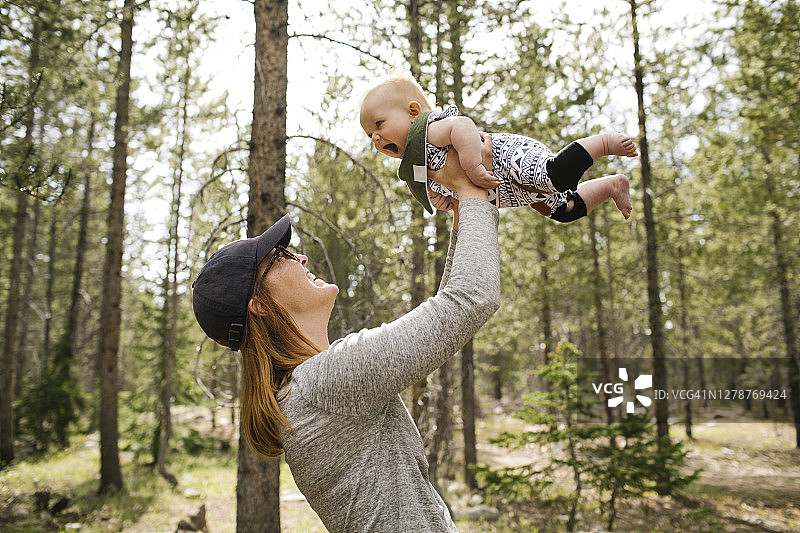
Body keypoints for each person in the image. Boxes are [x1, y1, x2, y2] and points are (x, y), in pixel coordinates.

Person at [191, 139, 499, 533]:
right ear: (259, 306)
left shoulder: (304, 390)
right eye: (281, 256)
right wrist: (475, 191)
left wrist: (461, 213)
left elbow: (450, 306)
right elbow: (471, 299)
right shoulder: (327, 381)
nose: (300, 256)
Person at [359, 71, 638, 222]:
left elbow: (462, 126)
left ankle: (603, 142)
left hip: (507, 158)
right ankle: (613, 185)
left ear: (412, 111)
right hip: (507, 189)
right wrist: (439, 200)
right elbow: (445, 190)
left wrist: (471, 163)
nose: (376, 138)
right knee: (567, 210)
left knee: (556, 176)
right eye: (370, 134)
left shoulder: (428, 130)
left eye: (380, 124)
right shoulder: (416, 165)